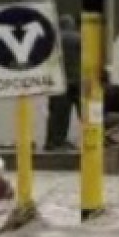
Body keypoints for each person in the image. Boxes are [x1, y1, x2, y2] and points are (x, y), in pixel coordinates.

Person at [45, 15, 83, 150]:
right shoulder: (79, 38)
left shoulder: (53, 40)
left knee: (57, 114)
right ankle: (92, 141)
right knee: (85, 113)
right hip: (77, 80)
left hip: (57, 81)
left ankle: (53, 142)